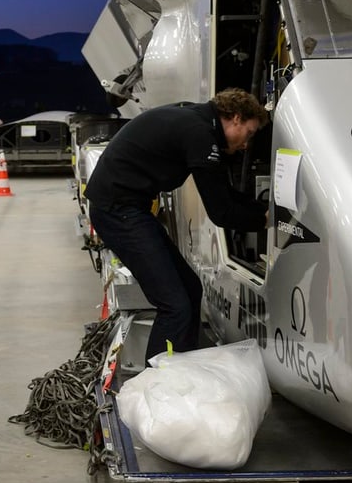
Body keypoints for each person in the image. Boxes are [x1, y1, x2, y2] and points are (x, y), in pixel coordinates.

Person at [84, 87, 269, 361]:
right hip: (118, 211)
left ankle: (183, 369)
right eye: (249, 133)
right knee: (175, 305)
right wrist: (266, 221)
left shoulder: (197, 121)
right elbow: (221, 212)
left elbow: (224, 192)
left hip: (126, 208)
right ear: (236, 118)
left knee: (191, 289)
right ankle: (159, 389)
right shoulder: (200, 133)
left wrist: (264, 210)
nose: (245, 145)